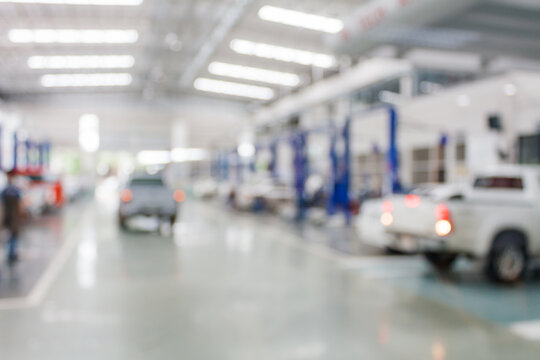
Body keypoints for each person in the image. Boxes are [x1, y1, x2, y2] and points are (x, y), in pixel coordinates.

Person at [2, 171, 22, 265]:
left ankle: (11, 253)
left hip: (8, 216)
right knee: (13, 235)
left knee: (11, 235)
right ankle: (11, 253)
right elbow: (19, 205)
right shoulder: (14, 190)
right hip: (13, 217)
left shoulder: (5, 190)